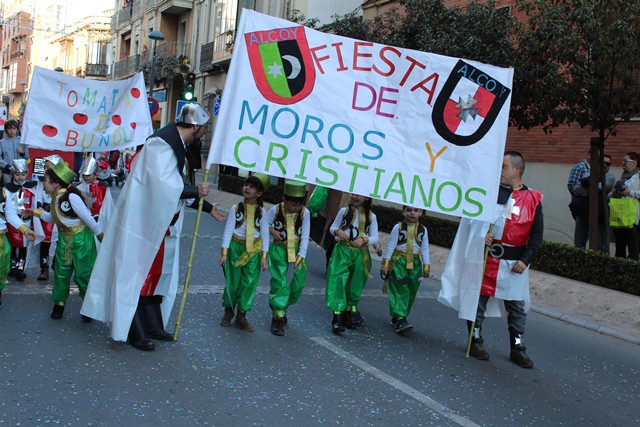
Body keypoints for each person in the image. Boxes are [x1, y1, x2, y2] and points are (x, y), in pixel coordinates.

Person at [81, 102, 225, 351]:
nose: (204, 133)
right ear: (195, 126)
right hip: (142, 224)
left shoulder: (175, 144)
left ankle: (152, 324)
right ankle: (132, 330)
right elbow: (161, 186)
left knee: (157, 275)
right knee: (138, 273)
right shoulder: (161, 144)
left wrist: (208, 206)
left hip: (160, 225)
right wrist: (195, 190)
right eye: (204, 128)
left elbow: (172, 186)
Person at [465, 151, 543, 368]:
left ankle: (518, 347)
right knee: (478, 303)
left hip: (514, 263)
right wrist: (482, 234)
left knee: (517, 308)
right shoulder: (490, 193)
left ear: (516, 170)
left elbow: (537, 234)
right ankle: (475, 339)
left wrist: (525, 260)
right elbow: (471, 219)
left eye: (504, 166)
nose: (500, 170)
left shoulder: (534, 199)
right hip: (488, 259)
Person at [27, 162, 103, 320]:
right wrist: (34, 212)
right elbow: (55, 218)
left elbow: (87, 217)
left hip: (81, 240)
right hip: (64, 239)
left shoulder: (71, 197)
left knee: (83, 273)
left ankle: (87, 307)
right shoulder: (56, 197)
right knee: (61, 272)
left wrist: (100, 234)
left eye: (46, 180)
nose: (43, 183)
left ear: (55, 184)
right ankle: (59, 304)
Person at [219, 173, 270, 332]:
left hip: (253, 252)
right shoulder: (236, 208)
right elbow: (228, 230)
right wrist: (224, 252)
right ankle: (228, 311)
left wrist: (264, 256)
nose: (247, 188)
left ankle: (242, 314)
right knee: (232, 281)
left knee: (249, 283)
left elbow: (265, 234)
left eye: (252, 186)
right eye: (246, 185)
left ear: (259, 193)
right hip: (235, 248)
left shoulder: (262, 212)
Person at [326, 193, 379, 334]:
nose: (355, 197)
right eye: (354, 194)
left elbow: (375, 236)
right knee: (338, 281)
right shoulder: (344, 211)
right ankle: (336, 316)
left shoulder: (371, 217)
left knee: (355, 284)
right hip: (342, 252)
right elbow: (332, 227)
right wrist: (338, 232)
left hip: (360, 254)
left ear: (367, 197)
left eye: (359, 195)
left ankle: (348, 313)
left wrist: (363, 240)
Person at [264, 180, 310, 336]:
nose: (296, 208)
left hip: (296, 251)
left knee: (296, 285)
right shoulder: (276, 210)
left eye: (299, 204)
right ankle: (277, 316)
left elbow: (305, 236)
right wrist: (272, 232)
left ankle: (282, 306)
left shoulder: (305, 213)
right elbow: (264, 224)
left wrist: (301, 255)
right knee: (281, 282)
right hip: (279, 251)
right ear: (284, 200)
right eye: (293, 204)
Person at [380, 205, 430, 334]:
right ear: (403, 212)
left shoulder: (423, 230)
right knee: (401, 289)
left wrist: (426, 265)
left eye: (416, 210)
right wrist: (385, 264)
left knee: (411, 291)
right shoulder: (398, 227)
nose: (412, 213)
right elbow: (391, 246)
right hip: (399, 263)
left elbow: (424, 249)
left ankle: (398, 317)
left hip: (415, 265)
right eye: (408, 210)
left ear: (421, 213)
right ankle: (401, 319)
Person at [0, 173, 36, 305]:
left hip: (2, 238)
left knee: (1, 271)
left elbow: (9, 213)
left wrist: (25, 230)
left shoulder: (4, 193)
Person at [4, 159, 38, 281]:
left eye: (23, 174)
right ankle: (12, 266)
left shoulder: (32, 187)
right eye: (17, 174)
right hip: (12, 221)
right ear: (12, 174)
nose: (20, 177)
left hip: (26, 219)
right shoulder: (7, 188)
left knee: (24, 245)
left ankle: (20, 267)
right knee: (12, 244)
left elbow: (35, 202)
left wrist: (33, 218)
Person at [575, 153, 616, 252]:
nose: (605, 165)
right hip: (583, 211)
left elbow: (603, 188)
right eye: (602, 162)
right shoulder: (588, 174)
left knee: (600, 244)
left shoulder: (610, 176)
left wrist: (587, 185)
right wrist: (594, 188)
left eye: (608, 164)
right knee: (579, 242)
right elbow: (577, 189)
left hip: (600, 214)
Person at [34, 154, 63, 280]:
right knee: (44, 242)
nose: (46, 169)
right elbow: (39, 194)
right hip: (45, 212)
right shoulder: (42, 180)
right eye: (45, 167)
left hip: (57, 212)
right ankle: (44, 268)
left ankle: (57, 263)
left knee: (59, 240)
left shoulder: (62, 181)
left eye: (48, 166)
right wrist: (39, 206)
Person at [610, 152, 640, 260]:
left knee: (633, 248)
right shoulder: (623, 176)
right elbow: (612, 194)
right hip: (620, 215)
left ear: (634, 163)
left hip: (633, 217)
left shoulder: (638, 176)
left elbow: (634, 193)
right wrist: (614, 193)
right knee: (619, 247)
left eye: (626, 161)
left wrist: (630, 192)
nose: (623, 163)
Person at [76, 156, 114, 236]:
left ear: (95, 175)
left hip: (99, 219)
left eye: (88, 175)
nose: (85, 177)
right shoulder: (79, 188)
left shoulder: (103, 188)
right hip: (83, 220)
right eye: (84, 175)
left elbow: (108, 206)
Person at [567, 151, 590, 248]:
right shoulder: (580, 167)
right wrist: (584, 194)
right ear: (589, 155)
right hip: (581, 206)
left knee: (588, 234)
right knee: (581, 236)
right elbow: (572, 185)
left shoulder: (598, 169)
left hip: (592, 207)